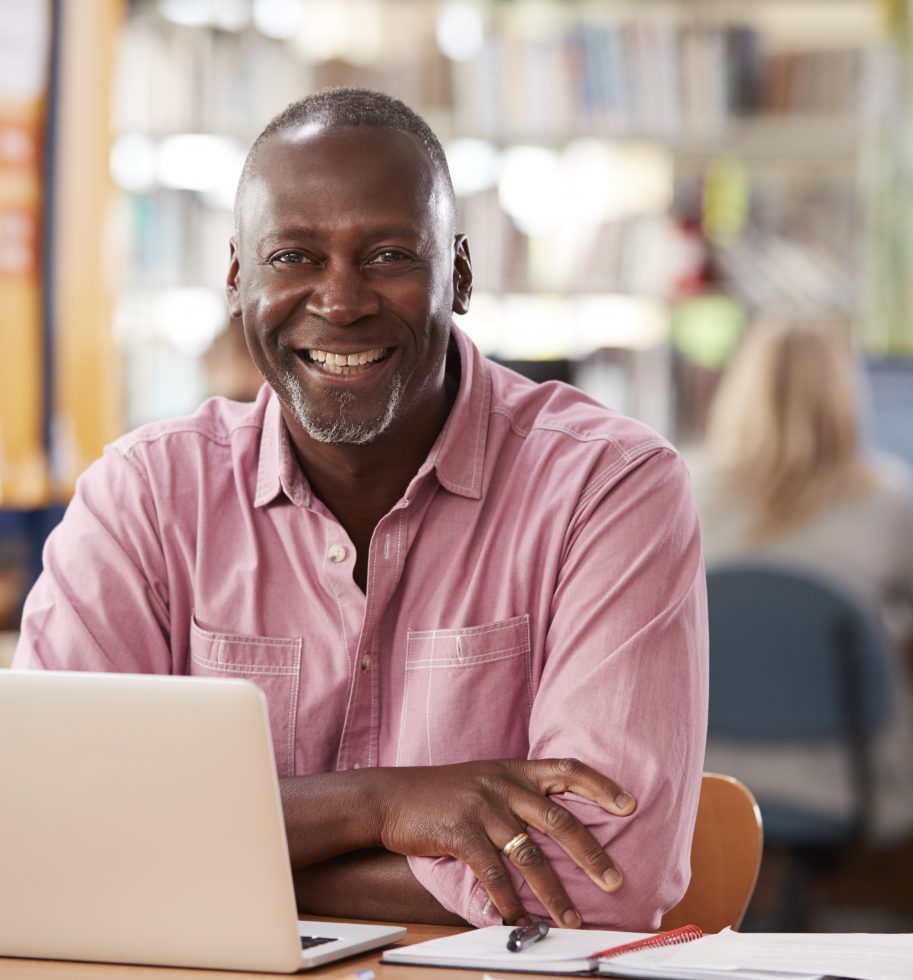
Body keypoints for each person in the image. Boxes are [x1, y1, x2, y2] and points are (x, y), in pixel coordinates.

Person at [14, 88, 708, 931]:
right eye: (293, 257)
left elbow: (607, 878)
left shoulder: (609, 488)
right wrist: (377, 805)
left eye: (386, 255)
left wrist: (195, 862)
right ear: (237, 277)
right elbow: (42, 830)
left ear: (457, 273)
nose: (340, 302)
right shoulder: (143, 497)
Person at [688, 319, 913, 845]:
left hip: (708, 777)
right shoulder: (889, 497)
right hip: (846, 780)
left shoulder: (685, 488)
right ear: (845, 395)